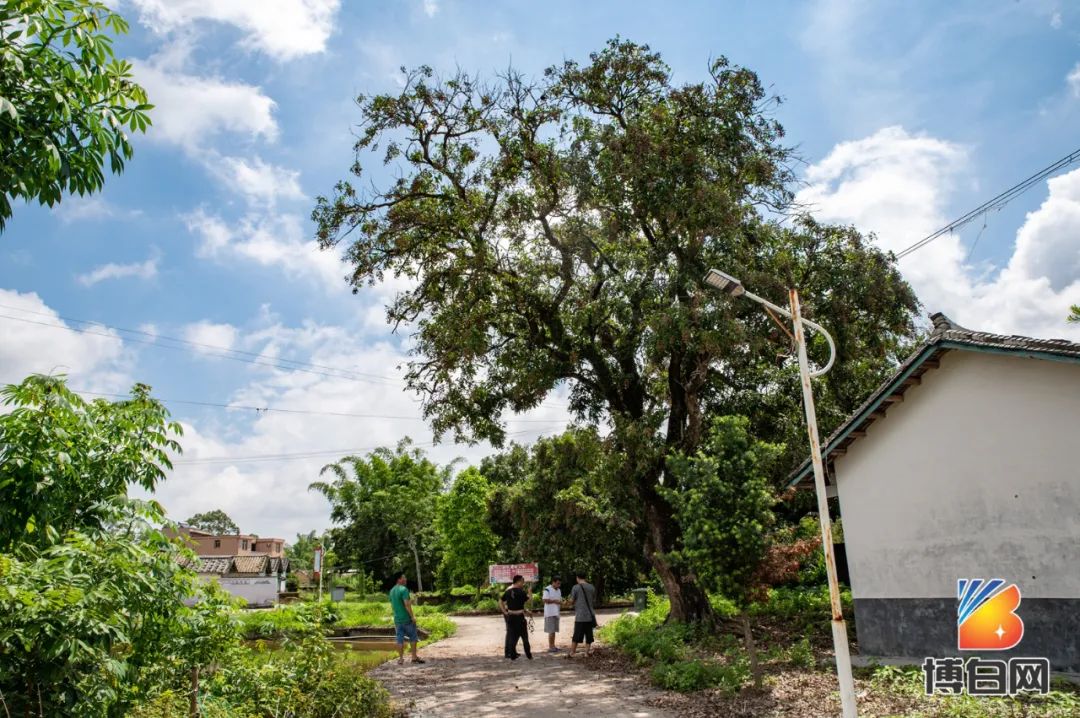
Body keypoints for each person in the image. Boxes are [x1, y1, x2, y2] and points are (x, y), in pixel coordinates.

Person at [389, 572, 425, 665]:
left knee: (399, 639)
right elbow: (407, 605)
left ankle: (400, 659)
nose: (405, 579)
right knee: (413, 637)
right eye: (404, 578)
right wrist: (412, 617)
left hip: (397, 619)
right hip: (406, 619)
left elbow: (393, 605)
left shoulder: (392, 591)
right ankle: (414, 657)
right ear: (399, 579)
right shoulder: (404, 589)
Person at [499, 574, 533, 660]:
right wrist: (529, 592)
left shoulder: (507, 591)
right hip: (520, 617)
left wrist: (504, 611)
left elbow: (500, 601)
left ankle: (512, 656)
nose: (523, 583)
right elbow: (529, 601)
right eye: (522, 581)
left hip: (510, 617)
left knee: (512, 637)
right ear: (518, 581)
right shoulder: (521, 592)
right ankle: (529, 655)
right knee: (524, 637)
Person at [567, 571, 597, 658]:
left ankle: (572, 652)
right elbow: (592, 600)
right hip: (590, 615)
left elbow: (572, 601)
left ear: (577, 577)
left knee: (576, 635)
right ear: (585, 577)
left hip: (580, 616)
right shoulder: (591, 587)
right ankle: (586, 653)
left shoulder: (575, 588)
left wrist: (569, 603)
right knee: (589, 635)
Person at [542, 575, 563, 652]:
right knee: (551, 631)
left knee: (554, 631)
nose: (559, 585)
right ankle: (551, 647)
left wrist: (561, 602)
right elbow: (545, 600)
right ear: (553, 582)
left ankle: (553, 646)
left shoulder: (559, 590)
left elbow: (559, 600)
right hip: (549, 613)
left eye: (560, 584)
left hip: (556, 612)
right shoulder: (547, 589)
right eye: (557, 583)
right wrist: (554, 601)